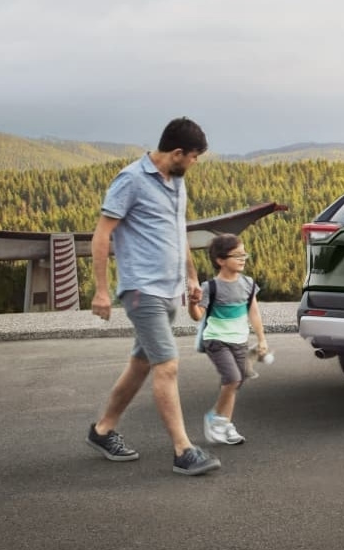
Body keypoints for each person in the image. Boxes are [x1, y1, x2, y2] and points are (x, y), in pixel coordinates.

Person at [85, 117, 221, 476]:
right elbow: (101, 236)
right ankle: (183, 450)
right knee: (167, 364)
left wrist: (192, 277)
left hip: (169, 290)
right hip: (141, 290)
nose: (194, 163)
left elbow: (178, 234)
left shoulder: (176, 183)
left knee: (141, 363)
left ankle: (102, 430)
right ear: (177, 153)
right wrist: (101, 290)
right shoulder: (130, 180)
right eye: (193, 157)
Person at [189, 233, 268, 445]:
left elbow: (254, 313)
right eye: (237, 255)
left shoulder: (249, 284)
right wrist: (192, 303)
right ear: (220, 260)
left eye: (244, 254)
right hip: (216, 340)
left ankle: (225, 425)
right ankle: (215, 418)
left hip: (240, 341)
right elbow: (198, 315)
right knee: (232, 378)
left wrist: (261, 339)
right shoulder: (210, 287)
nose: (243, 259)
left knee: (236, 382)